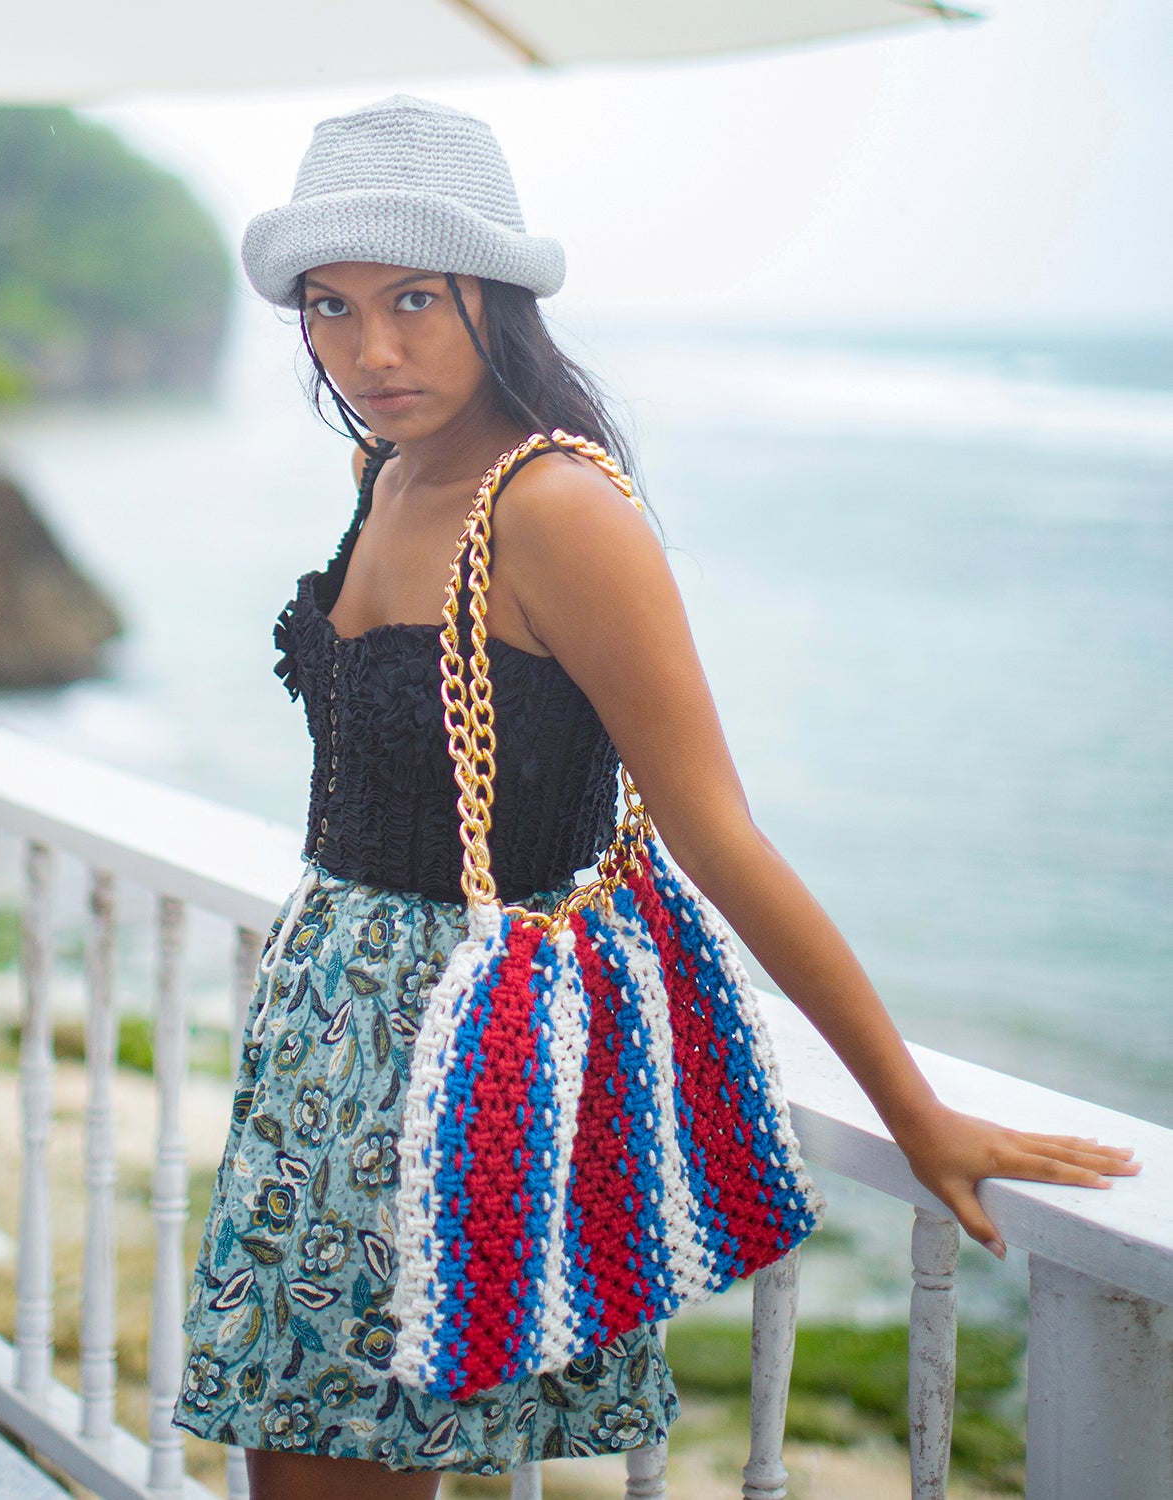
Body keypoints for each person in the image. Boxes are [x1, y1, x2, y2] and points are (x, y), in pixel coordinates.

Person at [173, 94, 1139, 1499]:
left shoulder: (555, 508)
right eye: (329, 305)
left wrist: (913, 1109)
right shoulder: (385, 471)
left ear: (493, 300)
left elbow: (716, 831)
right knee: (295, 1462)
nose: (369, 349)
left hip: (456, 1060)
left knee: (345, 1468)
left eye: (415, 300)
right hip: (329, 1038)